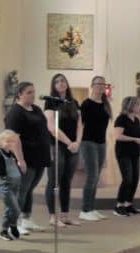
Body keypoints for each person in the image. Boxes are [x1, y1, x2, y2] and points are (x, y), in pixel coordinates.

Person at [4, 82, 50, 234]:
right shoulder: (15, 112)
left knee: (29, 189)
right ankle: (13, 224)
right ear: (20, 94)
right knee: (21, 191)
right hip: (25, 157)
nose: (33, 94)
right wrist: (20, 159)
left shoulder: (36, 109)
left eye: (33, 91)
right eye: (29, 92)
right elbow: (12, 138)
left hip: (39, 156)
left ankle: (26, 219)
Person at [43, 74, 83, 227]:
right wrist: (69, 142)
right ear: (53, 85)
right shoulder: (50, 102)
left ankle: (65, 215)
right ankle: (53, 216)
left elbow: (80, 124)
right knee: (54, 181)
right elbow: (52, 127)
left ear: (67, 83)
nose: (60, 83)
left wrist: (78, 142)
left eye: (63, 81)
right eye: (57, 81)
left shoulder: (74, 102)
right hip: (56, 145)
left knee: (67, 181)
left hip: (73, 145)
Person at [79, 76, 112, 221]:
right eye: (98, 84)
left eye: (103, 84)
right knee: (91, 176)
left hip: (101, 143)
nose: (100, 87)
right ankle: (85, 210)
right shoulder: (86, 104)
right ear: (92, 86)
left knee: (96, 177)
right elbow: (80, 124)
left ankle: (91, 208)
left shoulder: (105, 104)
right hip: (88, 142)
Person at [113, 96, 140, 216]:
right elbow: (118, 136)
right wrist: (134, 139)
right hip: (123, 152)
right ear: (130, 106)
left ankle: (128, 204)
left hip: (135, 152)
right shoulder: (121, 119)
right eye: (137, 104)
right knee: (128, 179)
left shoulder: (136, 120)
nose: (139, 107)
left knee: (135, 179)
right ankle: (119, 205)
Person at [0, 130, 23, 241]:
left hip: (16, 184)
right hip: (7, 184)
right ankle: (13, 225)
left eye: (13, 142)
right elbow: (0, 170)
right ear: (1, 142)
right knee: (15, 209)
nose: (10, 144)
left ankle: (3, 231)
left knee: (9, 209)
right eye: (8, 141)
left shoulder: (11, 153)